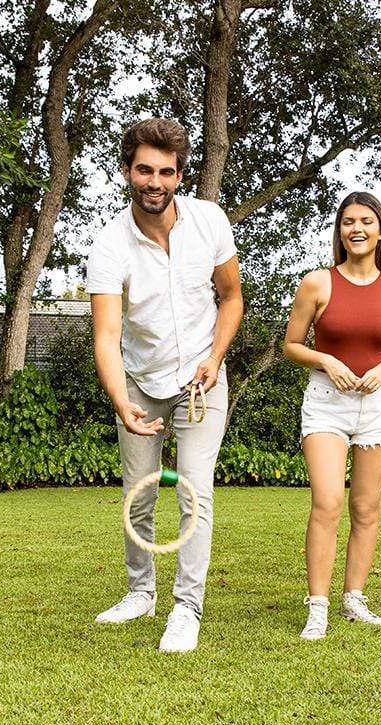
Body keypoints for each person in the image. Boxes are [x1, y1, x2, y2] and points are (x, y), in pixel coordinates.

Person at [87, 118, 243, 653]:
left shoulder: (210, 222)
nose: (155, 181)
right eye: (145, 170)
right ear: (128, 171)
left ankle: (186, 606)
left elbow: (232, 298)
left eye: (166, 172)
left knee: (194, 490)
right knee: (141, 494)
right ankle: (140, 593)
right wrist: (121, 401)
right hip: (140, 381)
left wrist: (216, 358)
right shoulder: (110, 245)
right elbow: (106, 336)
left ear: (180, 176)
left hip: (202, 381)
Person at [283, 191, 381, 640]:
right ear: (339, 231)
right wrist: (327, 361)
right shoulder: (317, 283)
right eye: (347, 222)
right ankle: (317, 606)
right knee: (328, 502)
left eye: (365, 221)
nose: (355, 229)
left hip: (378, 404)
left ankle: (353, 598)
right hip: (326, 402)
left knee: (366, 507)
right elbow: (292, 345)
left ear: (380, 230)